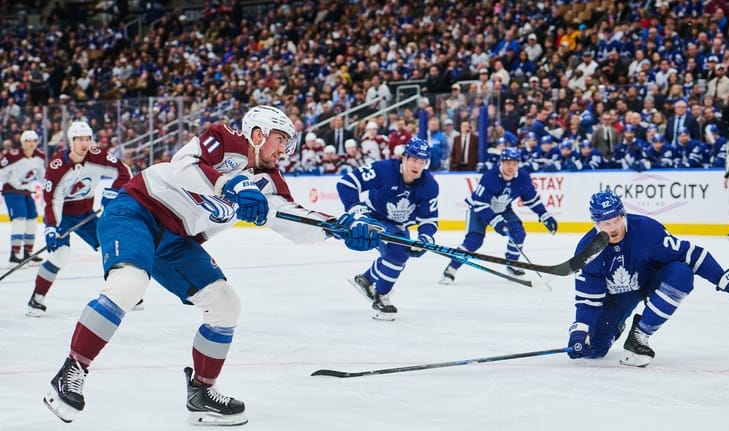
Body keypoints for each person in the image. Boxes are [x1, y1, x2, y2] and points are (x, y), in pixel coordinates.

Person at [43, 105, 381, 426]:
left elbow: (294, 221)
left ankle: (202, 392)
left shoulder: (271, 183)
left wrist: (340, 229)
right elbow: (183, 166)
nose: (285, 149)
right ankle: (72, 371)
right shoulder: (224, 138)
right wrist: (230, 184)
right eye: (282, 139)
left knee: (225, 304)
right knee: (129, 284)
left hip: (177, 241)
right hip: (138, 209)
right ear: (259, 133)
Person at [567, 189, 729, 367]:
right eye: (606, 224)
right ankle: (616, 325)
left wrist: (727, 280)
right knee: (594, 351)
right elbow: (588, 301)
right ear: (595, 224)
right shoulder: (587, 250)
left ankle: (640, 334)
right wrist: (580, 331)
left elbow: (691, 254)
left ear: (623, 214)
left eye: (617, 220)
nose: (613, 228)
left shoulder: (647, 230)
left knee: (681, 273)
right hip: (616, 299)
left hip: (650, 280)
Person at [27, 122, 132, 317]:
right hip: (63, 217)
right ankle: (37, 298)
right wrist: (51, 227)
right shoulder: (57, 166)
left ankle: (124, 293)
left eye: (87, 138)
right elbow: (52, 199)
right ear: (71, 141)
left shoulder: (97, 155)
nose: (85, 143)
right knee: (61, 255)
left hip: (87, 214)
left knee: (110, 246)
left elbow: (123, 172)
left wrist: (113, 191)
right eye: (79, 139)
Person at [339, 137, 438, 321]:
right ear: (405, 158)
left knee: (403, 254)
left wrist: (425, 239)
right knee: (398, 252)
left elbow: (428, 218)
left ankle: (366, 279)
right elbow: (347, 183)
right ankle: (380, 297)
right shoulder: (384, 169)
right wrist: (356, 209)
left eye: (422, 162)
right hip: (373, 218)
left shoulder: (429, 185)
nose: (417, 165)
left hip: (398, 225)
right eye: (414, 160)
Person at [439, 148, 557, 284]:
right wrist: (497, 222)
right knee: (474, 241)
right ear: (501, 163)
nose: (511, 167)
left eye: (514, 163)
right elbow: (480, 204)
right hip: (479, 209)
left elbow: (532, 199)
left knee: (518, 233)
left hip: (503, 209)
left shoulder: (523, 178)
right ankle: (451, 270)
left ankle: (512, 264)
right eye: (508, 163)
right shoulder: (490, 177)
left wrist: (545, 215)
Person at [0, 130, 46, 267]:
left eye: (33, 141)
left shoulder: (40, 157)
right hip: (12, 192)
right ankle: (14, 255)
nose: (31, 144)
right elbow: (2, 172)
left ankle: (28, 253)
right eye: (28, 141)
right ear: (22, 142)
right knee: (19, 220)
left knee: (32, 220)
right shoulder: (13, 156)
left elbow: (42, 175)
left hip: (26, 192)